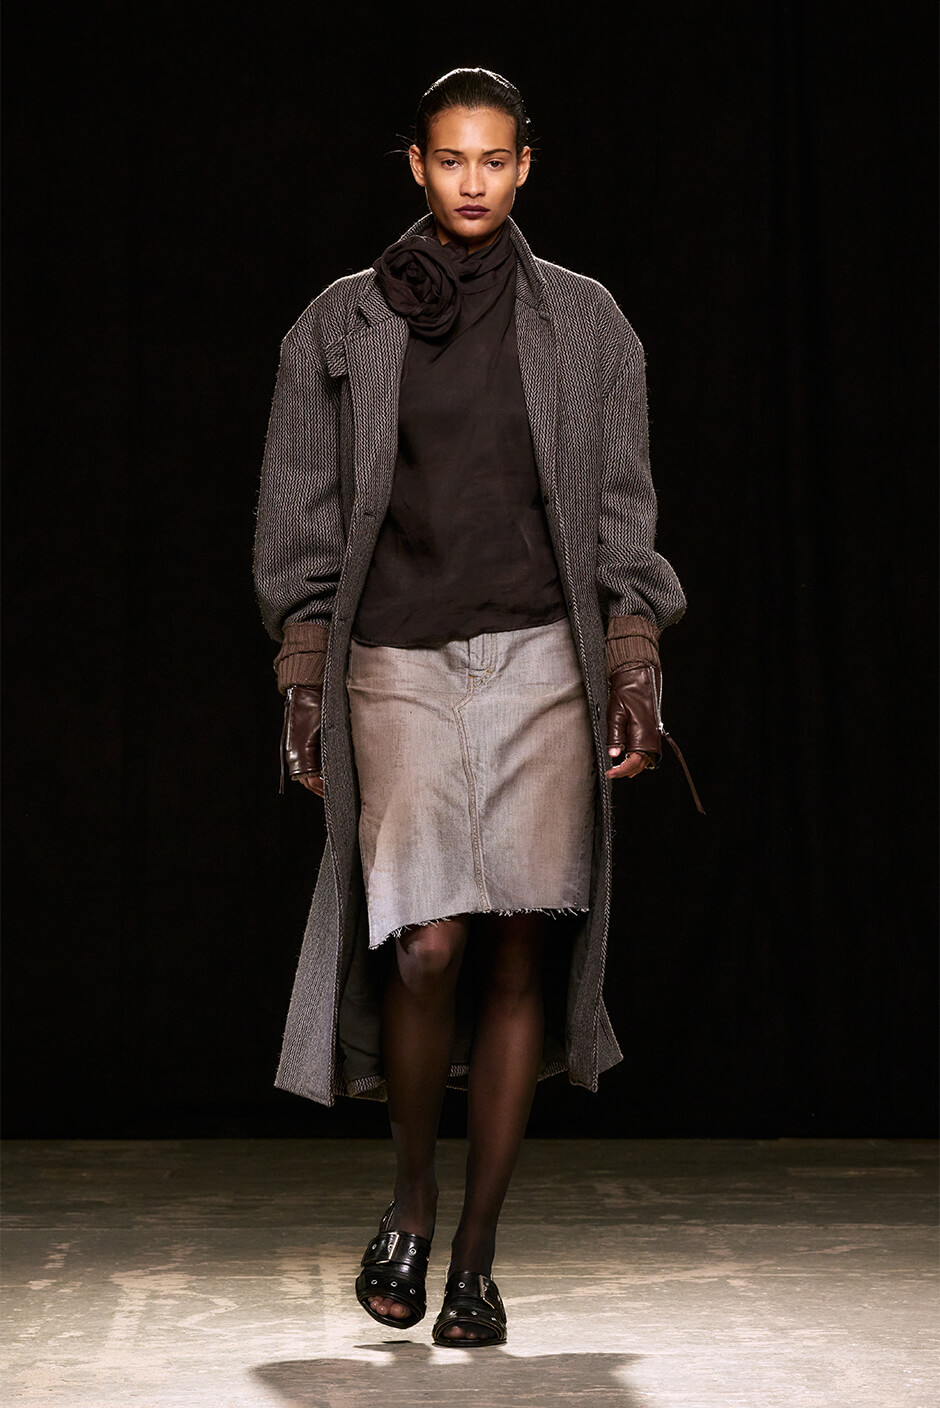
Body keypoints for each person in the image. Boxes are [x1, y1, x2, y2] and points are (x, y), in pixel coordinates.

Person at [253, 66, 702, 1348]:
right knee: (427, 942)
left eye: (493, 159)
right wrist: (302, 679)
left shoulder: (589, 324)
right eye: (449, 158)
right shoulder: (339, 324)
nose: (471, 181)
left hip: (542, 662)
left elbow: (621, 512)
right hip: (394, 661)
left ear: (524, 166)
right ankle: (409, 1203)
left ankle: (477, 1258)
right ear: (414, 163)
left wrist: (632, 666)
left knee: (515, 948)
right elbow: (299, 521)